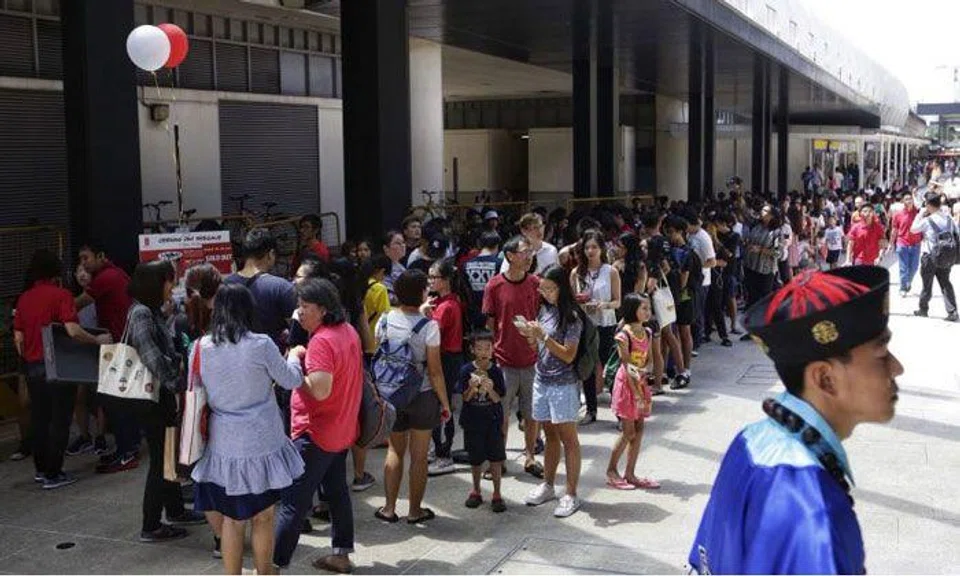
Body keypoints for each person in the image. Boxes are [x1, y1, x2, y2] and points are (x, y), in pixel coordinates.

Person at [689, 266, 903, 574]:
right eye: (881, 353)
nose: (897, 368)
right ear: (825, 379)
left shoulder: (751, 439)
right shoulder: (813, 507)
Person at [190, 284, 305, 575]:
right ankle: (265, 573)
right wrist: (294, 356)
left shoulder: (200, 347)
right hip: (262, 441)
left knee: (231, 519)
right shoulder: (261, 344)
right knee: (264, 516)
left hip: (222, 442)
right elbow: (291, 381)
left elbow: (196, 390)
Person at [274, 279, 363, 574]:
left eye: (305, 307)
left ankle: (275, 565)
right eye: (299, 306)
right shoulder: (347, 331)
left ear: (323, 310)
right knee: (336, 491)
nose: (299, 313)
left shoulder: (322, 341)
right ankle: (341, 553)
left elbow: (320, 389)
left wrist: (296, 361)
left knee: (293, 503)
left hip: (316, 433)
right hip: (341, 428)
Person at [13, 250, 111, 489]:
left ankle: (40, 469)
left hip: (33, 366)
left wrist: (29, 357)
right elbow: (72, 330)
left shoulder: (24, 299)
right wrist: (96, 340)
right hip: (58, 367)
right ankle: (53, 473)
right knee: (59, 421)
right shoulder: (61, 295)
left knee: (40, 418)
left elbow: (18, 339)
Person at [126, 261, 207, 542]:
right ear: (156, 283)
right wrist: (175, 381)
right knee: (160, 460)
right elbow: (151, 356)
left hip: (160, 396)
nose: (172, 288)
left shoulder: (151, 311)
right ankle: (151, 525)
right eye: (169, 282)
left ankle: (175, 510)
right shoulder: (141, 314)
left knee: (167, 454)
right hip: (151, 398)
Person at [374, 270, 452, 525]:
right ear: (421, 293)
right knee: (419, 456)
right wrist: (445, 403)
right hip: (422, 394)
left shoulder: (384, 320)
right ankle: (415, 510)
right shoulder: (429, 327)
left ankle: (388, 508)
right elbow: (436, 370)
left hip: (391, 393)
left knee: (395, 450)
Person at [518, 264, 583, 518]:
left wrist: (543, 337)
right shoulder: (544, 309)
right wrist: (531, 335)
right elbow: (540, 346)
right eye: (542, 288)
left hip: (563, 383)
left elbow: (568, 355)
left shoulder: (572, 317)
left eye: (550, 289)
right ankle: (548, 484)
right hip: (542, 378)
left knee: (569, 438)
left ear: (562, 288)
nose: (544, 293)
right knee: (549, 435)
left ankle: (571, 492)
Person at [482, 236, 543, 479]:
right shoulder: (494, 286)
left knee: (531, 414)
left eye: (530, 252)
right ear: (509, 256)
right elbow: (489, 323)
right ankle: (498, 459)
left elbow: (542, 317)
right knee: (500, 414)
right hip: (503, 360)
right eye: (523, 252)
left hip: (531, 359)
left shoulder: (536, 284)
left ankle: (530, 457)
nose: (528, 256)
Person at [73, 241, 133, 464]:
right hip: (120, 344)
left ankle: (126, 451)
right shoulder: (116, 274)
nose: (83, 264)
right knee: (118, 400)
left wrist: (52, 307)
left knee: (115, 402)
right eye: (80, 260)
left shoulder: (105, 279)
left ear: (101, 256)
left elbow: (77, 304)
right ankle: (128, 447)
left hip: (116, 345)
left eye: (86, 258)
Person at [606, 293, 658, 490]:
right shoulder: (624, 335)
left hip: (641, 383)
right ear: (631, 309)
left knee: (639, 429)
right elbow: (626, 365)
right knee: (628, 431)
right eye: (643, 308)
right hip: (627, 386)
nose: (648, 312)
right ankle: (611, 470)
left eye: (648, 308)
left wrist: (647, 371)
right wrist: (636, 392)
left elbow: (651, 359)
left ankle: (630, 472)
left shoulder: (648, 332)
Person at [570, 230, 621, 424]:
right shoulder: (576, 273)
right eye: (587, 247)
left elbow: (617, 301)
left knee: (612, 368)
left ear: (601, 249)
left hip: (606, 322)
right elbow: (573, 300)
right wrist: (582, 305)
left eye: (594, 247)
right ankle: (591, 410)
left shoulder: (611, 271)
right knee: (588, 368)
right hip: (585, 325)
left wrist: (603, 305)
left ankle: (620, 412)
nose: (590, 251)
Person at [457, 331, 508, 513]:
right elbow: (464, 397)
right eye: (479, 348)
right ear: (472, 350)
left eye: (488, 348)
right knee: (475, 458)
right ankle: (476, 490)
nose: (484, 352)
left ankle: (497, 493)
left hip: (492, 420)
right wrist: (472, 388)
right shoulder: (465, 370)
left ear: (493, 350)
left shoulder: (496, 371)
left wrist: (490, 389)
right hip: (473, 420)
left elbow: (498, 398)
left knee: (495, 458)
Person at [224, 228, 297, 348]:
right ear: (271, 254)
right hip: (272, 358)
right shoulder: (282, 287)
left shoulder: (226, 285)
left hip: (235, 357)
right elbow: (296, 330)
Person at [426, 259, 464, 476]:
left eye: (435, 277)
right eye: (429, 277)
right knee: (441, 405)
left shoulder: (447, 306)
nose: (431, 281)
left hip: (447, 360)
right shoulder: (443, 302)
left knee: (444, 407)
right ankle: (438, 449)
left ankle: (444, 454)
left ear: (446, 280)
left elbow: (433, 333)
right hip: (446, 359)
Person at [663, 216, 699, 389]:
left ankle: (686, 368)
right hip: (672, 297)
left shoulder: (687, 253)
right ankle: (672, 368)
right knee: (671, 333)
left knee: (684, 332)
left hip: (684, 297)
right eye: (667, 232)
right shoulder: (669, 250)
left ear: (680, 232)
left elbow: (683, 282)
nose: (669, 236)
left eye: (671, 232)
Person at [911, 192, 959, 322]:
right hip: (946, 256)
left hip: (930, 256)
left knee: (927, 284)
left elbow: (913, 229)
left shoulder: (927, 220)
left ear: (928, 204)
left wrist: (920, 214)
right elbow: (957, 233)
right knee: (945, 283)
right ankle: (952, 311)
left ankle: (923, 309)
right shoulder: (949, 219)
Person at [684, 209, 717, 348]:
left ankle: (696, 342)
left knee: (697, 313)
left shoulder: (703, 238)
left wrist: (695, 266)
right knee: (691, 311)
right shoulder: (690, 235)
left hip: (701, 281)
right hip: (691, 279)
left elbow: (712, 261)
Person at [463, 231, 502, 330]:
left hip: (473, 314)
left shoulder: (466, 265)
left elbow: (464, 291)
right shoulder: (500, 264)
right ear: (497, 245)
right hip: (494, 313)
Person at [890, 191, 922, 296]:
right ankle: (903, 287)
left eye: (910, 198)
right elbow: (894, 230)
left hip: (916, 243)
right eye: (906, 199)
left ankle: (908, 281)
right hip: (902, 243)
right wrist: (891, 243)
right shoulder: (898, 215)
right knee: (903, 267)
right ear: (903, 201)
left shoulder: (918, 213)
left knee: (914, 266)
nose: (909, 201)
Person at [361, 255, 393, 361]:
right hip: (374, 342)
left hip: (360, 338)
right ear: (382, 271)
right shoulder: (380, 288)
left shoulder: (361, 284)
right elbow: (385, 316)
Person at [381, 230, 407, 305]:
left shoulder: (401, 266)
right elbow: (388, 296)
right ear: (386, 248)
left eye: (403, 242)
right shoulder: (383, 267)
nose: (402, 245)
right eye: (398, 243)